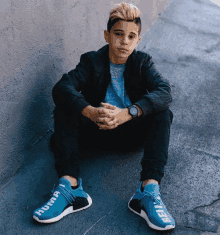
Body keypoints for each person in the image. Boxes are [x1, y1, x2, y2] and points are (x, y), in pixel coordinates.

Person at [33, 2, 175, 231]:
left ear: (138, 40)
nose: (125, 41)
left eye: (131, 36)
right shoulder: (91, 61)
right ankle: (69, 188)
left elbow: (164, 91)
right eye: (119, 34)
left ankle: (147, 192)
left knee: (163, 112)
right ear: (107, 35)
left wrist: (128, 113)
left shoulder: (143, 62)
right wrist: (89, 111)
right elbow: (62, 87)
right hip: (95, 132)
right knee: (65, 107)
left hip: (130, 135)